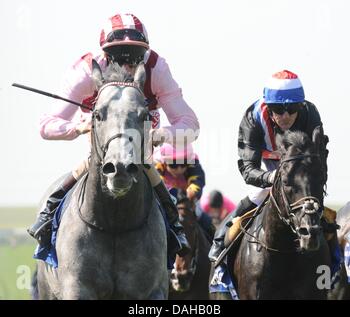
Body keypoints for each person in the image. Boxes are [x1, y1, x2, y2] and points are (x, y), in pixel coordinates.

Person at [28, 13, 200, 257]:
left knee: (149, 173)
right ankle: (49, 214)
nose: (128, 64)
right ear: (106, 54)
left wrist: (158, 135)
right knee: (93, 164)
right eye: (119, 56)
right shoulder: (85, 71)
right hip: (100, 149)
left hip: (141, 151)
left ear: (146, 53)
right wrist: (79, 126)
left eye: (135, 55)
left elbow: (191, 125)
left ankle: (174, 228)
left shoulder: (157, 69)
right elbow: (46, 125)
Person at [208, 69, 332, 262]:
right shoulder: (253, 118)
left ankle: (336, 262)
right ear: (268, 106)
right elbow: (248, 170)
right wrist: (273, 178)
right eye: (278, 109)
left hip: (300, 172)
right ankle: (220, 243)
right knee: (257, 195)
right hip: (268, 169)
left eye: (292, 109)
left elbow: (319, 160)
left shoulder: (310, 114)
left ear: (301, 105)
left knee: (316, 208)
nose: (286, 116)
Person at [154, 143, 215, 240]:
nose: (179, 169)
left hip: (188, 200)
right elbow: (156, 186)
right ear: (164, 162)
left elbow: (198, 181)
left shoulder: (194, 164)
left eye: (184, 164)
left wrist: (191, 193)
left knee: (206, 221)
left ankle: (215, 244)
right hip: (165, 201)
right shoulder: (157, 166)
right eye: (173, 165)